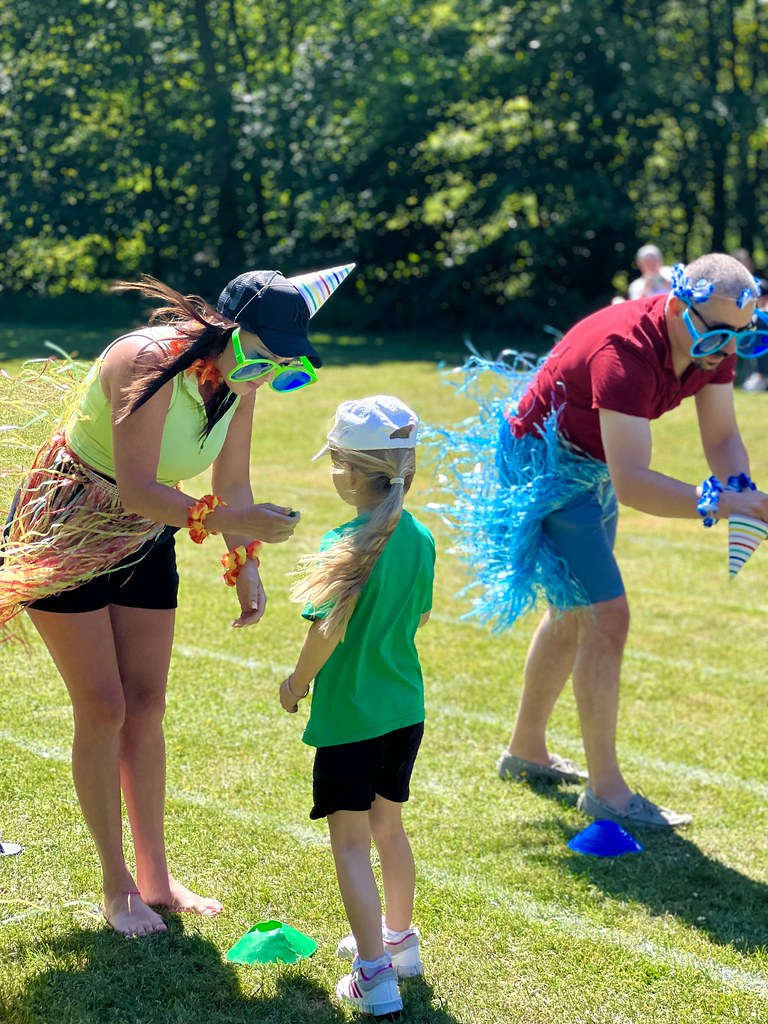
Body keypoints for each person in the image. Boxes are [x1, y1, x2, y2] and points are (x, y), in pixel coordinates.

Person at [0, 263, 354, 936]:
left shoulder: (240, 378)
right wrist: (232, 524)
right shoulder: (148, 362)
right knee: (103, 707)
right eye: (259, 356)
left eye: (283, 366)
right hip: (68, 522)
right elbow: (136, 487)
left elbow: (234, 481)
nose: (264, 374)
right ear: (224, 327)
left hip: (147, 532)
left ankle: (157, 879)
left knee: (148, 703)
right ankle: (116, 887)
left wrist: (245, 563)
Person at [434, 253, 768, 829]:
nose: (727, 347)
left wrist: (742, 487)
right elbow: (634, 482)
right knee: (607, 616)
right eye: (716, 332)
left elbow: (721, 435)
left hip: (588, 464)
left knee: (576, 610)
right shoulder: (627, 355)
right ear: (678, 305)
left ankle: (526, 751)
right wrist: (718, 502)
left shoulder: (716, 339)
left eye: (743, 335)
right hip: (545, 463)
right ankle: (607, 793)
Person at [278, 396, 434, 1017]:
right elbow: (418, 615)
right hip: (404, 710)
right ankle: (399, 941)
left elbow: (325, 633)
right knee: (387, 827)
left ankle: (374, 974)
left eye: (336, 462)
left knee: (349, 844)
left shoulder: (347, 541)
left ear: (349, 470)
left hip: (351, 719)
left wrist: (295, 686)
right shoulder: (419, 536)